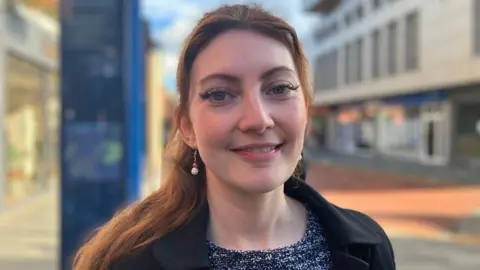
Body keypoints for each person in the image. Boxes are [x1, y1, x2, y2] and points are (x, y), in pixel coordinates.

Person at [73, 4, 396, 270]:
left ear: (306, 110)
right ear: (186, 127)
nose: (257, 119)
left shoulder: (369, 245)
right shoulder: (125, 260)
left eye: (279, 88)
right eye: (219, 95)